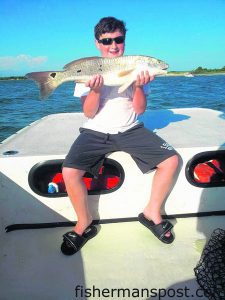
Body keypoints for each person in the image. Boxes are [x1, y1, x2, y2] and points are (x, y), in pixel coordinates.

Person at [61, 17, 179, 255]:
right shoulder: (90, 68)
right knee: (69, 172)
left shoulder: (137, 67)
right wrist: (95, 89)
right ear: (97, 43)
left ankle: (151, 212)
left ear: (124, 40)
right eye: (107, 41)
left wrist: (137, 86)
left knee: (172, 160)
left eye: (119, 40)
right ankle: (83, 222)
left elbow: (140, 110)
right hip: (95, 130)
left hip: (130, 129)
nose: (113, 45)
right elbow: (89, 112)